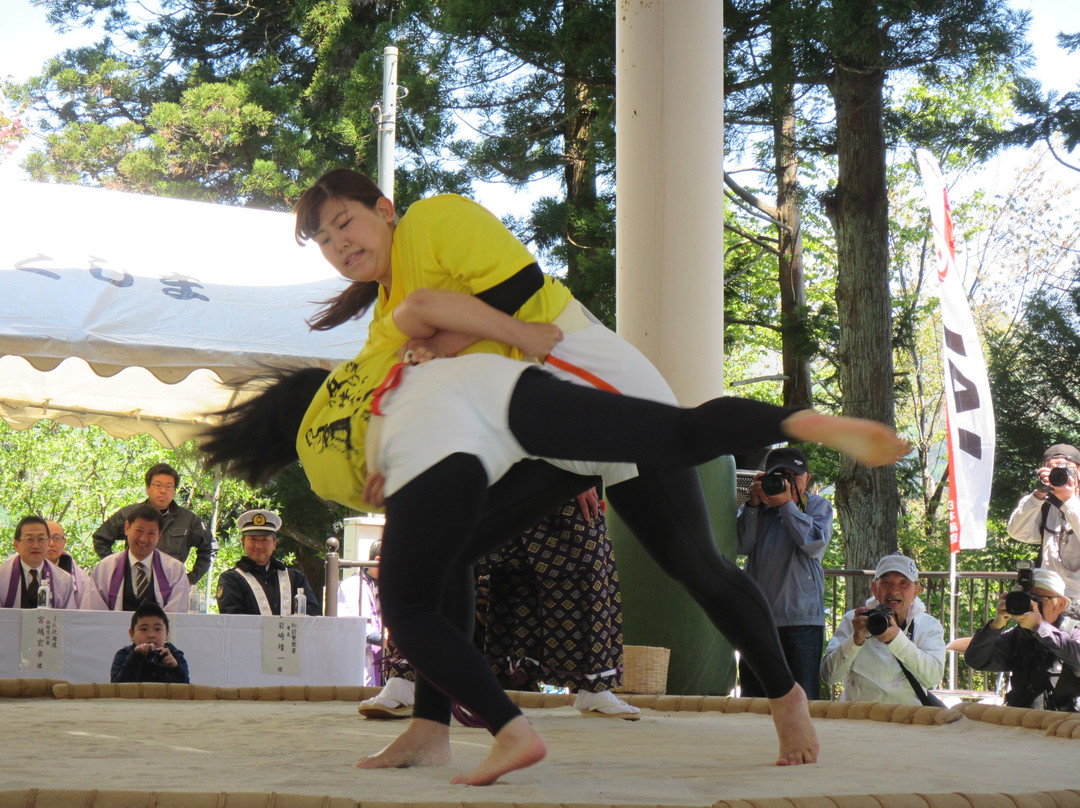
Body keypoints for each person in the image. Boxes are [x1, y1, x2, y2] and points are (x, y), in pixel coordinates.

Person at [202, 285, 908, 782]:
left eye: (345, 235)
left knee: (698, 565)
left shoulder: (427, 277)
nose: (342, 250)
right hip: (541, 426)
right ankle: (430, 724)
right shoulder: (390, 330)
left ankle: (787, 698)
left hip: (582, 393)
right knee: (458, 556)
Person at [736, 447, 832, 700]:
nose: (786, 482)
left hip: (803, 621)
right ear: (765, 476)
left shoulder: (818, 506)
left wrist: (786, 506)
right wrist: (753, 506)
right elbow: (741, 545)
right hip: (760, 620)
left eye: (793, 476)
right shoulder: (758, 509)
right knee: (754, 696)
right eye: (779, 476)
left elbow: (813, 544)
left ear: (807, 479)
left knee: (803, 696)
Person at [820, 554, 946, 705]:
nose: (893, 591)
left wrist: (896, 640)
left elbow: (932, 678)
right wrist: (855, 640)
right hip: (859, 717)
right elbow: (829, 676)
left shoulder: (928, 626)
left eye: (903, 583)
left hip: (908, 717)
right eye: (886, 582)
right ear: (875, 588)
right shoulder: (854, 620)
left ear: (916, 591)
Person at [964, 568, 1080, 711]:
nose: (1032, 605)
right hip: (1021, 723)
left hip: (1065, 726)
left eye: (1038, 599)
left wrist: (1040, 628)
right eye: (1026, 598)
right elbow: (976, 660)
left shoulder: (1074, 631)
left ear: (1060, 604)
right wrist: (995, 626)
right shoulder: (1017, 636)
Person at [93, 462, 214, 585]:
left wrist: (191, 578)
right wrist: (117, 568)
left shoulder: (189, 520)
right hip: (132, 583)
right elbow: (100, 538)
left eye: (169, 486)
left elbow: (211, 548)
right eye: (158, 485)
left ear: (174, 491)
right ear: (147, 488)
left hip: (170, 586)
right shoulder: (129, 514)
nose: (163, 491)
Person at [1007, 444, 1080, 610]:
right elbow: (1017, 532)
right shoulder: (1044, 505)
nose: (1058, 473)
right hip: (1050, 602)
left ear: (1079, 472)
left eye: (1064, 468)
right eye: (1051, 468)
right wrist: (1039, 494)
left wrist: (1068, 500)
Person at [85, 503, 191, 612]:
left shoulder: (174, 570)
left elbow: (176, 616)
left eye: (151, 533)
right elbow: (93, 613)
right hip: (113, 628)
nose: (144, 539)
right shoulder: (105, 568)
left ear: (159, 535)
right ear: (127, 528)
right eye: (139, 531)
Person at [216, 509, 320, 616]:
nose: (258, 546)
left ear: (274, 544)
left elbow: (311, 618)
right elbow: (233, 623)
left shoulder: (295, 579)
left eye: (264, 540)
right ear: (243, 542)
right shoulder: (231, 580)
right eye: (253, 539)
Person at [0, 516, 76, 609]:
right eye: (30, 539)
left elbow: (68, 619)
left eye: (41, 539)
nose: (36, 545)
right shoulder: (2, 576)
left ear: (48, 543)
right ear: (16, 545)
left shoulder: (64, 580)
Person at [337, 540, 383, 687]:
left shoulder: (395, 586)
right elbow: (349, 625)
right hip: (363, 660)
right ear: (378, 560)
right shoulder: (351, 586)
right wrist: (381, 638)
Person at [110, 602, 190, 684]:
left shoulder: (175, 656)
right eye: (144, 629)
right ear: (132, 634)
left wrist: (174, 667)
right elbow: (117, 688)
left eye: (157, 629)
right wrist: (135, 656)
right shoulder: (123, 655)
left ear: (167, 634)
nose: (151, 635)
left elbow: (185, 691)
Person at [45, 520, 92, 607]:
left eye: (57, 538)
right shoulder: (28, 569)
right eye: (46, 538)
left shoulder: (81, 578)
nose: (51, 544)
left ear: (64, 542)